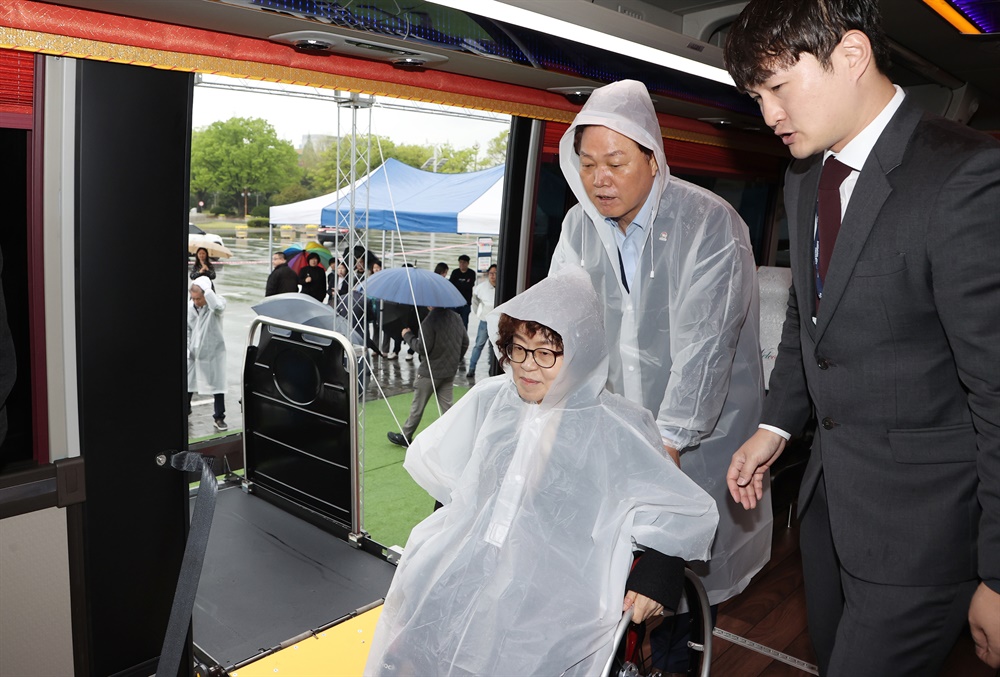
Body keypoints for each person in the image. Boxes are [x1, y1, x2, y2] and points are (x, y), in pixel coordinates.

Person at [722, 1, 1000, 674]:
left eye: (778, 89)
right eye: (757, 97)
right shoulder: (802, 175)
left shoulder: (965, 176)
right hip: (831, 511)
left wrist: (997, 574)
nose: (768, 116)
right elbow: (807, 318)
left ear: (850, 56)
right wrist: (776, 427)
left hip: (924, 534)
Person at [365, 267, 720, 676]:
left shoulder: (618, 425)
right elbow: (452, 490)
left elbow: (676, 508)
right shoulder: (490, 401)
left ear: (582, 353)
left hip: (554, 592)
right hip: (472, 568)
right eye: (518, 347)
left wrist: (659, 577)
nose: (527, 366)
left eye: (547, 352)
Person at [549, 79, 768, 673]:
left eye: (616, 162)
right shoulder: (578, 227)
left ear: (653, 158)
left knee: (680, 583)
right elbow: (567, 325)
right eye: (588, 163)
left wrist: (667, 443)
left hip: (697, 438)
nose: (601, 178)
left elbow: (705, 349)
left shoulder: (709, 223)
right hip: (619, 434)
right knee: (620, 588)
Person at [386, 302, 468, 448]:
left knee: (417, 407)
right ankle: (458, 437)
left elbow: (421, 348)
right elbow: (465, 342)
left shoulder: (429, 321)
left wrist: (407, 335)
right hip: (449, 371)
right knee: (448, 407)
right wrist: (455, 360)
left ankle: (405, 436)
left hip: (430, 372)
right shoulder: (457, 317)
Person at [188, 276, 228, 431]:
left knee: (217, 384)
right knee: (189, 382)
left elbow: (217, 307)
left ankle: (219, 417)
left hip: (213, 351)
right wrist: (187, 349)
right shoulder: (190, 307)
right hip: (194, 351)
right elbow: (187, 329)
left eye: (199, 298)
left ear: (206, 294)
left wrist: (208, 289)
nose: (196, 302)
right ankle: (186, 408)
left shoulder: (217, 303)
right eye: (193, 298)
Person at [466, 263, 497, 381]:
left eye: (495, 273)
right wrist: (477, 312)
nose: (493, 276)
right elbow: (475, 298)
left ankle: (492, 370)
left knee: (493, 347)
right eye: (491, 273)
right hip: (485, 321)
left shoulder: (502, 286)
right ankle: (471, 369)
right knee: (479, 345)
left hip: (498, 322)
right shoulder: (482, 287)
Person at [448, 254, 476, 329]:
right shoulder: (455, 272)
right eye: (460, 262)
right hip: (454, 302)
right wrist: (464, 284)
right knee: (452, 322)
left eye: (464, 262)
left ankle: (463, 339)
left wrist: (459, 284)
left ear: (467, 263)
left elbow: (469, 286)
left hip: (465, 302)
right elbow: (451, 286)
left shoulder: (471, 273)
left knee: (464, 323)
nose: (461, 264)